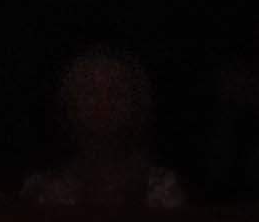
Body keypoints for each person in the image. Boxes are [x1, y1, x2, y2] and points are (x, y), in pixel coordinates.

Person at [11, 41, 186, 210]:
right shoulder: (43, 190)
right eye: (90, 92)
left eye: (116, 92)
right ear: (70, 103)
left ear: (136, 103)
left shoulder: (161, 188)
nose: (103, 104)